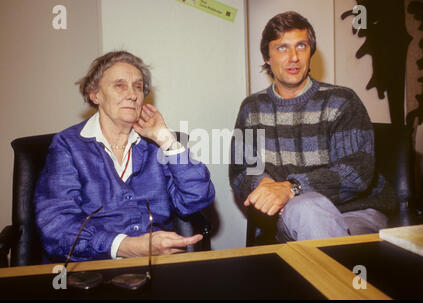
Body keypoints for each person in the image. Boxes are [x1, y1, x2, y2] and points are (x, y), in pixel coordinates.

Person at [229, 12, 397, 242]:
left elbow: (356, 172)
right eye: (282, 48)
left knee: (307, 206)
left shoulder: (342, 100)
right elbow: (241, 169)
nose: (293, 57)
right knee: (304, 208)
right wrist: (263, 183)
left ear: (311, 52)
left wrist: (292, 188)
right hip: (292, 216)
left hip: (356, 212)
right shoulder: (252, 108)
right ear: (267, 57)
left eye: (301, 46)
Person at [34, 51, 215, 262]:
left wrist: (166, 139)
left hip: (155, 264)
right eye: (120, 85)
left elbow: (196, 198)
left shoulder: (155, 145)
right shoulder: (68, 145)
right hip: (91, 269)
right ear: (95, 95)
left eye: (138, 86)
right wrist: (128, 246)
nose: (132, 94)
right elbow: (57, 226)